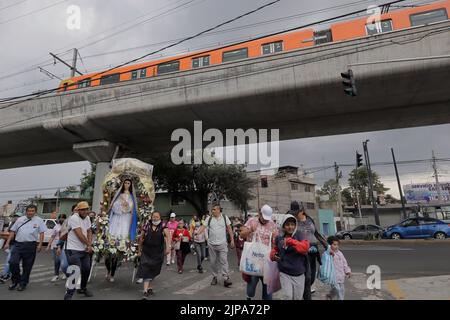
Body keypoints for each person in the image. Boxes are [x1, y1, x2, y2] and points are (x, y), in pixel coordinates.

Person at [289, 201, 327, 300]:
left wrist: (327, 246)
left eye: (296, 212)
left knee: (311, 278)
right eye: (293, 212)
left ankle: (302, 291)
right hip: (301, 252)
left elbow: (317, 234)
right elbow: (288, 237)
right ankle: (304, 295)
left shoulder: (310, 220)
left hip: (313, 252)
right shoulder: (292, 222)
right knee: (307, 277)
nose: (294, 214)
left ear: (302, 211)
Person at [4, 205, 47, 291]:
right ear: (26, 211)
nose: (30, 212)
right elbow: (13, 231)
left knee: (27, 266)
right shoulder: (20, 219)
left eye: (32, 211)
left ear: (35, 212)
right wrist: (7, 243)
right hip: (18, 245)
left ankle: (23, 283)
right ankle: (16, 280)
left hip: (30, 245)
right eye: (29, 211)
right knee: (13, 262)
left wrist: (40, 245)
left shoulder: (39, 220)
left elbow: (42, 233)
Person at [240, 204, 278, 300]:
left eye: (267, 219)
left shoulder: (272, 224)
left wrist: (275, 241)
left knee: (268, 290)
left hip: (267, 260)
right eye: (264, 218)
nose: (265, 220)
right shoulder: (251, 221)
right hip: (254, 260)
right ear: (260, 213)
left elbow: (276, 242)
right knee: (251, 286)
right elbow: (242, 235)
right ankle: (249, 297)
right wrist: (250, 231)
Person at [270, 214, 310, 300]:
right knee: (288, 297)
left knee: (297, 298)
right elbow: (275, 249)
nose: (290, 227)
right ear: (284, 226)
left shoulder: (300, 235)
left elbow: (305, 248)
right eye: (287, 225)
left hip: (299, 274)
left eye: (292, 224)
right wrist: (273, 255)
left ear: (295, 225)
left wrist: (291, 241)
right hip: (284, 273)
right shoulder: (279, 237)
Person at [198, 203, 234, 287]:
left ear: (218, 210)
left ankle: (226, 278)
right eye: (212, 209)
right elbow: (203, 227)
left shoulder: (225, 217)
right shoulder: (209, 218)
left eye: (214, 209)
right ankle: (214, 277)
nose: (212, 211)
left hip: (222, 244)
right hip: (212, 245)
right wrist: (197, 233)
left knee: (224, 261)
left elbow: (229, 228)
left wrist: (232, 240)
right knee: (213, 262)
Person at [137, 211, 171, 299]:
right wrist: (139, 250)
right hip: (146, 251)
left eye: (157, 217)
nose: (155, 218)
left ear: (160, 217)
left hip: (158, 252)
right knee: (146, 269)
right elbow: (141, 238)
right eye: (153, 217)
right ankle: (145, 291)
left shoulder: (163, 226)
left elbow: (168, 237)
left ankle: (150, 287)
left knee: (154, 270)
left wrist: (168, 247)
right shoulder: (147, 226)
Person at [64, 201, 94, 300]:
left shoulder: (88, 218)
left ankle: (83, 288)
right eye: (82, 210)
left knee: (86, 269)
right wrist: (89, 245)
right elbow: (79, 234)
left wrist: (89, 244)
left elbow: (89, 231)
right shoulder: (74, 218)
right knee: (75, 271)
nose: (85, 211)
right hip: (73, 249)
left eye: (86, 209)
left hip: (84, 249)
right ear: (78, 210)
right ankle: (69, 295)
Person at [326, 236, 351, 300]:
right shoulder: (328, 254)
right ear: (329, 245)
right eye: (334, 244)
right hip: (333, 277)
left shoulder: (340, 253)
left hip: (341, 276)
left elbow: (344, 263)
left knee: (341, 291)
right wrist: (330, 253)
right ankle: (331, 296)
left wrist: (347, 271)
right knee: (337, 290)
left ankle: (330, 296)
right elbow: (326, 263)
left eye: (337, 245)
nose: (336, 246)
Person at [46, 214, 68, 282]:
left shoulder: (67, 226)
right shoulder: (56, 227)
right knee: (56, 261)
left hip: (64, 246)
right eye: (60, 218)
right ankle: (56, 275)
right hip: (55, 246)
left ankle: (65, 273)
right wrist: (48, 246)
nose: (62, 219)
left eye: (63, 218)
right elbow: (52, 237)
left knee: (64, 262)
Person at [0, 213, 21, 282]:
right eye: (14, 216)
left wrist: (6, 236)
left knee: (9, 261)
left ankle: (5, 275)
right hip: (11, 245)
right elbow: (8, 233)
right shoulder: (12, 223)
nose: (15, 217)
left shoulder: (19, 225)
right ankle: (8, 274)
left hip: (16, 245)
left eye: (16, 216)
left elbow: (12, 235)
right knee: (11, 261)